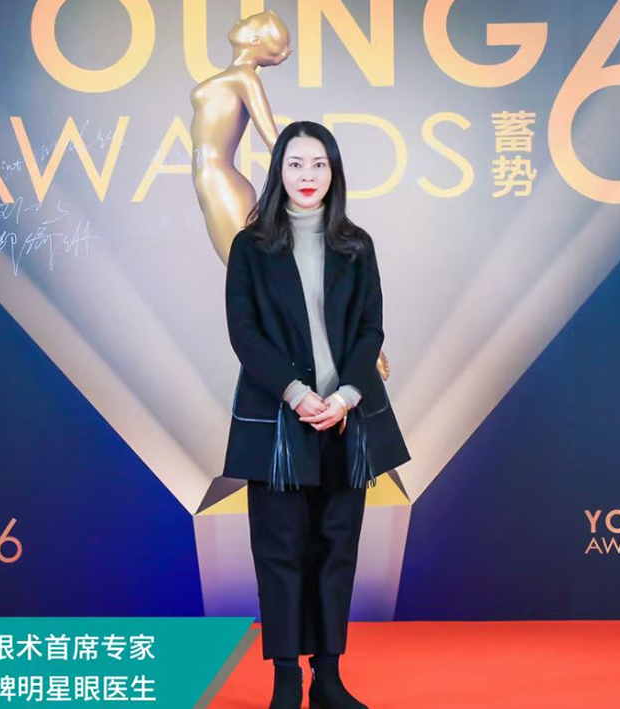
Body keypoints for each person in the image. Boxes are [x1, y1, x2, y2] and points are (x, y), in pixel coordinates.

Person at [220, 120, 411, 709]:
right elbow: (244, 334)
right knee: (279, 551)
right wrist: (296, 393)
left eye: (319, 164)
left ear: (335, 172)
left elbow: (370, 329)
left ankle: (328, 677)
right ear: (279, 171)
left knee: (337, 549)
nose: (308, 176)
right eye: (296, 164)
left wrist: (345, 396)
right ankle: (285, 680)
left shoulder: (357, 244)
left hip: (345, 418)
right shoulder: (251, 247)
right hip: (280, 419)